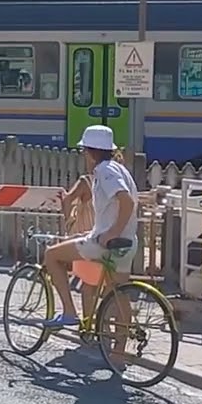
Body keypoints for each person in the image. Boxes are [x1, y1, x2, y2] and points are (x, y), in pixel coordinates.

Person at [41, 125, 139, 329]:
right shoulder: (120, 169)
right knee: (118, 295)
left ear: (89, 152)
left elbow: (126, 202)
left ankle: (69, 312)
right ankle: (118, 354)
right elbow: (113, 211)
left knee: (52, 255)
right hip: (127, 243)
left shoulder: (104, 170)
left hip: (105, 244)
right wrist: (99, 230)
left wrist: (111, 232)